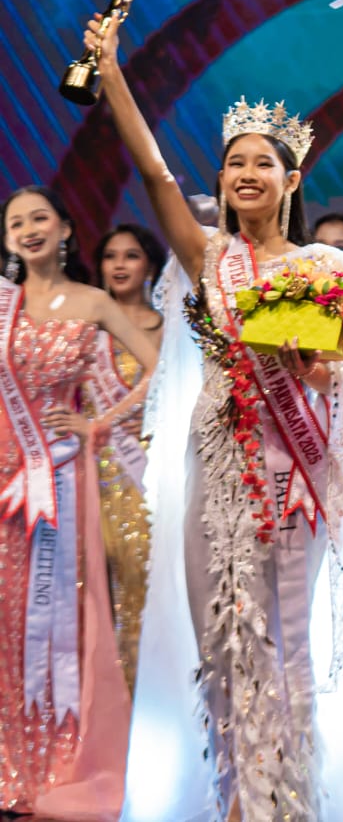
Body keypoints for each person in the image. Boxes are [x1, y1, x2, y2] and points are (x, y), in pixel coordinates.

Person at [88, 10, 343, 821]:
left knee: (284, 633)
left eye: (262, 162)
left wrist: (310, 363)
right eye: (234, 162)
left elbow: (340, 376)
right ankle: (237, 796)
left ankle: (287, 800)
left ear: (291, 181)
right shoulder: (209, 256)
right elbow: (154, 173)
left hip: (292, 468)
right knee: (222, 635)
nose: (246, 174)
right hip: (215, 462)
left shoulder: (326, 266)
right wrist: (112, 73)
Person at [0, 187, 157, 821]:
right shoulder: (2, 304)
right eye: (16, 222)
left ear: (65, 228)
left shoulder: (93, 301)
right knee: (5, 620)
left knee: (58, 621)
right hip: (4, 475)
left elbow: (159, 365)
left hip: (62, 480)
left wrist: (99, 423)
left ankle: (60, 765)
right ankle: (9, 764)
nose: (29, 229)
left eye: (40, 217)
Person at [86, 223, 167, 688]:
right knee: (87, 590)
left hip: (143, 474)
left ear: (150, 265)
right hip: (87, 474)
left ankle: (138, 696)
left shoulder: (167, 329)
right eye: (110, 256)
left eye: (131, 255)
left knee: (139, 586)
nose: (118, 265)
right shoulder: (83, 329)